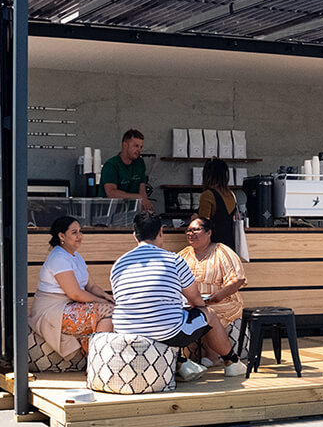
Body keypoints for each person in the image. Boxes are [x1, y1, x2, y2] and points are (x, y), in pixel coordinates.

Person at [110, 212, 247, 380]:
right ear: (161, 232)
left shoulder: (119, 264)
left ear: (134, 235)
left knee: (170, 316)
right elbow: (196, 300)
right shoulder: (174, 260)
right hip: (167, 330)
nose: (190, 234)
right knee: (206, 314)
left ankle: (182, 363)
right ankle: (232, 362)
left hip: (124, 329)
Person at [28, 216, 115, 358]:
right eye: (74, 232)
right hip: (53, 311)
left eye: (80, 232)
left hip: (70, 306)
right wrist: (102, 303)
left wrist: (106, 297)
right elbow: (75, 293)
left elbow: (91, 286)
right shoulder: (58, 257)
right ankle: (97, 361)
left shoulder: (76, 256)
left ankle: (94, 358)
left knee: (114, 307)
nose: (80, 236)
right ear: (61, 236)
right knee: (108, 312)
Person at [177, 216, 247, 363]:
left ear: (208, 233)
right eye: (188, 230)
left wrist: (218, 295)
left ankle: (212, 356)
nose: (191, 233)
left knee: (209, 313)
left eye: (196, 229)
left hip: (223, 301)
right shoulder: (183, 255)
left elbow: (237, 279)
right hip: (193, 302)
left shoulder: (221, 251)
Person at [100, 128, 153, 212]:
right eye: (136, 146)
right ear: (125, 145)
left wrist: (145, 206)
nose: (139, 150)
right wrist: (137, 197)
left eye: (141, 147)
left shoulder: (139, 163)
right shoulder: (111, 165)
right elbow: (111, 193)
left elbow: (142, 189)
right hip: (110, 213)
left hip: (132, 213)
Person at [196, 157, 239, 251]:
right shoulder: (231, 195)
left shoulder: (208, 195)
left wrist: (194, 219)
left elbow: (203, 225)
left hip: (213, 247)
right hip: (229, 246)